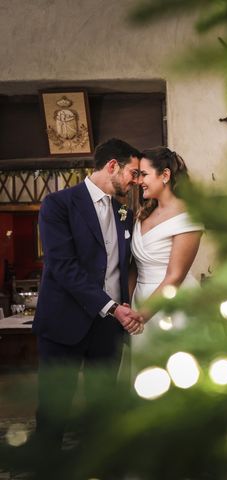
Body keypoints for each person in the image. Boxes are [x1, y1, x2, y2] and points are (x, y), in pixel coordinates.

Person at [32, 138, 144, 454]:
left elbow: (124, 266)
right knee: (55, 407)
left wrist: (124, 304)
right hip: (63, 322)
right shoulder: (58, 204)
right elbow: (62, 266)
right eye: (133, 173)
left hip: (108, 329)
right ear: (112, 166)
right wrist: (111, 306)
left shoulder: (124, 210)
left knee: (102, 407)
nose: (135, 181)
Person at [129, 147, 203, 347]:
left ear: (165, 175)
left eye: (144, 174)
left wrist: (141, 317)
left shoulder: (188, 216)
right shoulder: (143, 213)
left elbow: (175, 276)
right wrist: (129, 308)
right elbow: (134, 266)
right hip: (140, 300)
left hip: (173, 303)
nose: (138, 181)